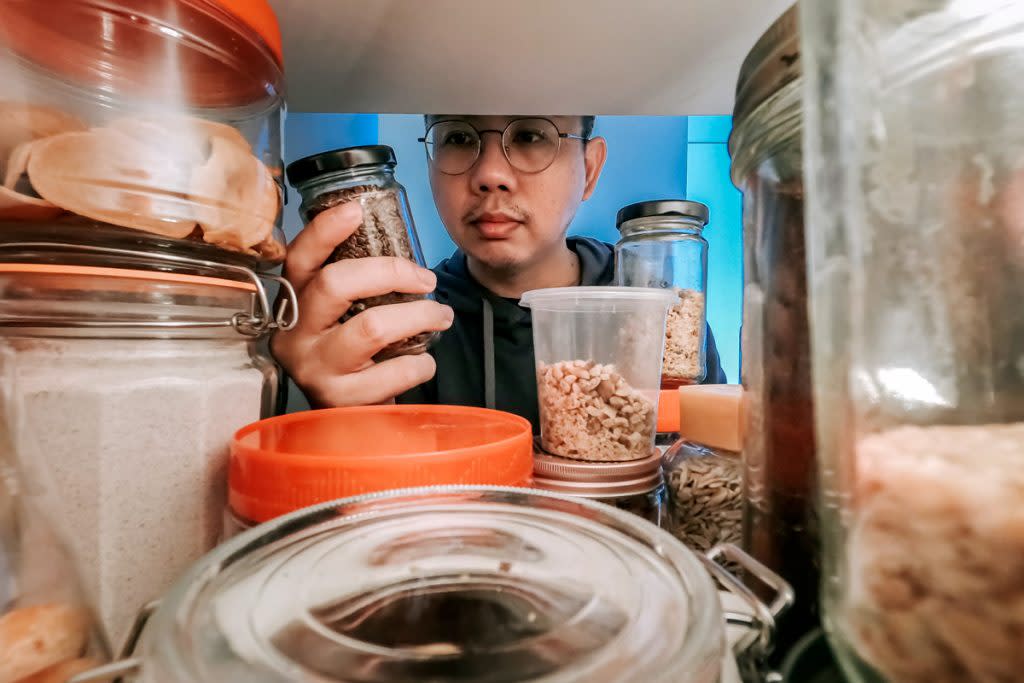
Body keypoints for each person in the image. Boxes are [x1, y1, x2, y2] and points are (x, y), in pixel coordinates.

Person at [272, 115, 726, 430]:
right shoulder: (392, 326)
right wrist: (327, 415)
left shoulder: (658, 309)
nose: (490, 174)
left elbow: (701, 473)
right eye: (457, 137)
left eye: (530, 135)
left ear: (589, 170)